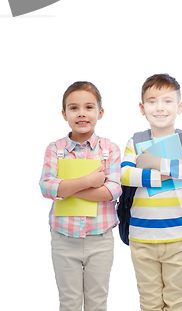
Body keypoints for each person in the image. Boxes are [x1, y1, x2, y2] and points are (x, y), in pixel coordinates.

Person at [120, 73, 182, 311]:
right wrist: (171, 173)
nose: (160, 108)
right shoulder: (135, 140)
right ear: (142, 107)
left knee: (177, 301)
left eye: (167, 101)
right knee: (149, 302)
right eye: (152, 101)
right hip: (141, 237)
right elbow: (125, 174)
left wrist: (155, 163)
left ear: (179, 106)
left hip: (179, 236)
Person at [39, 81, 122, 311]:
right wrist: (88, 182)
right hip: (64, 239)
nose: (81, 113)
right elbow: (47, 187)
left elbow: (113, 190)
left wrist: (66, 189)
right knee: (69, 302)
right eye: (74, 108)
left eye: (89, 107)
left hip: (100, 239)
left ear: (100, 112)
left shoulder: (109, 149)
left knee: (97, 302)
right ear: (64, 113)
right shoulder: (55, 149)